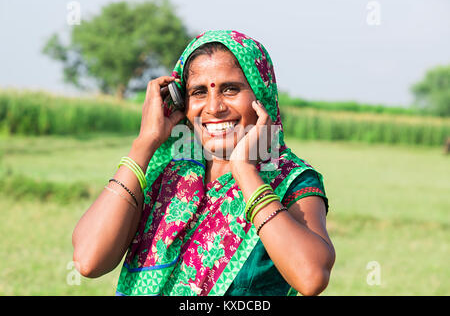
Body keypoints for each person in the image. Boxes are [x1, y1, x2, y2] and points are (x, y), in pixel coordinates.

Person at [72, 30, 335, 296]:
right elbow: (88, 260)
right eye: (198, 92)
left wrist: (244, 170)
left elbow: (311, 277)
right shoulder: (167, 172)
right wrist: (145, 143)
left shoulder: (291, 179)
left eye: (230, 89)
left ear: (261, 92)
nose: (213, 107)